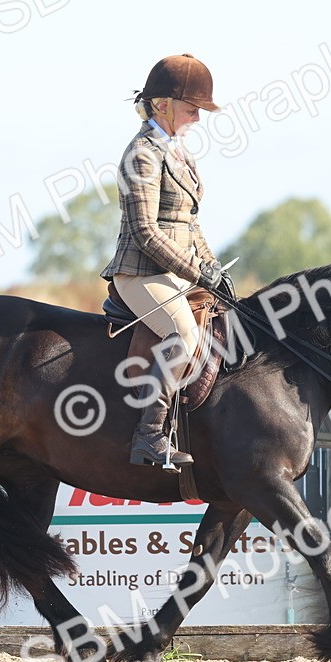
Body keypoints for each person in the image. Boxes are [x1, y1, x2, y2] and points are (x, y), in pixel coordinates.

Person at [100, 53, 227, 470]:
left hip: (176, 271)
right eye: (192, 109)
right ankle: (150, 436)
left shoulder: (176, 151)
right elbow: (146, 232)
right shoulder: (142, 155)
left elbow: (189, 223)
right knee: (183, 333)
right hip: (140, 272)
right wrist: (196, 271)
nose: (197, 117)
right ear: (163, 105)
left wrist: (214, 269)